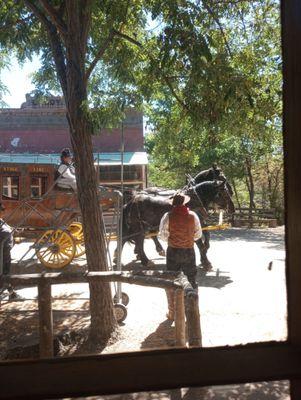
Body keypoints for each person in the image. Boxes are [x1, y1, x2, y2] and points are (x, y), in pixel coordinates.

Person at [159, 192, 202, 320]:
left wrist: (173, 240)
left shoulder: (167, 216)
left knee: (172, 279)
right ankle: (193, 312)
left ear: (173, 203)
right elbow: (198, 234)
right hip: (189, 251)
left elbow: (162, 235)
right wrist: (188, 239)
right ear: (184, 202)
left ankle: (173, 312)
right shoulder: (193, 216)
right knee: (191, 280)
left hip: (173, 251)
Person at [0, 202, 19, 300]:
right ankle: (11, 293)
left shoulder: (1, 220)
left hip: (5, 252)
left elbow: (7, 228)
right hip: (2, 253)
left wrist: (12, 230)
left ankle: (12, 293)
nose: (3, 213)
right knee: (4, 273)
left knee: (5, 272)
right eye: (1, 211)